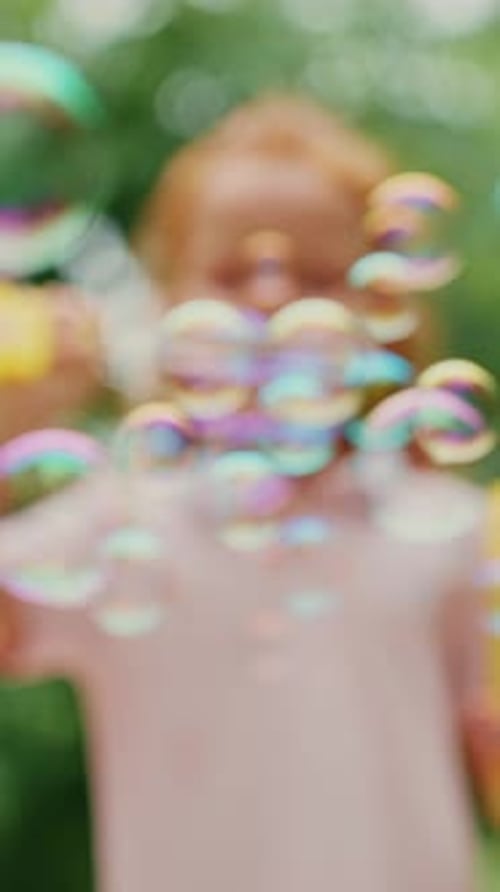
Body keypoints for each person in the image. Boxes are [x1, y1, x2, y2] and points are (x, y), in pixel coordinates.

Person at [0, 94, 490, 892]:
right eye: (232, 274)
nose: (271, 298)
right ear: (165, 306)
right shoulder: (115, 522)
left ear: (382, 309)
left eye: (320, 275)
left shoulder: (452, 529)